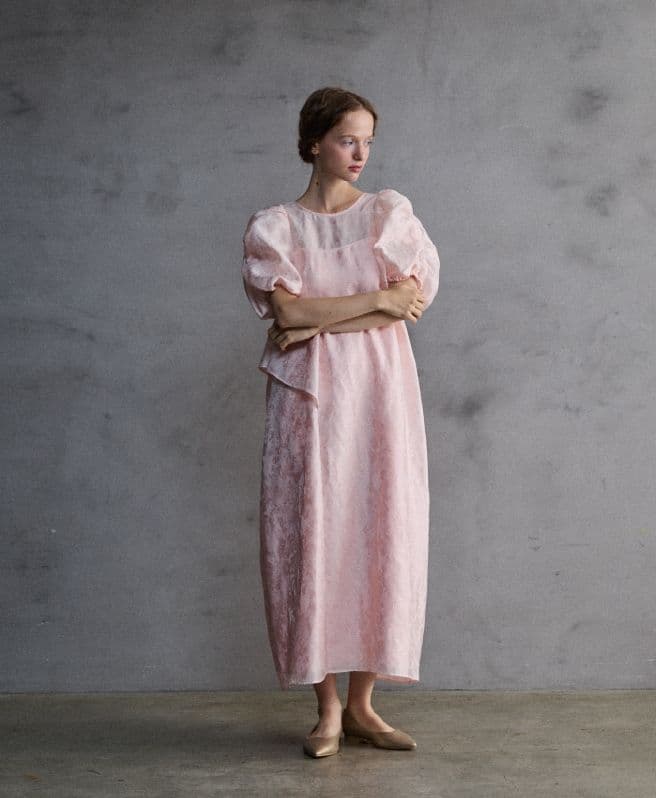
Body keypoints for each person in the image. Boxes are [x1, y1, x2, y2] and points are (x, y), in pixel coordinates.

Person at [241, 86, 440, 758]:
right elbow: (286, 313)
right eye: (346, 139)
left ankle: (362, 706)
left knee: (380, 528)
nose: (360, 154)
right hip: (311, 401)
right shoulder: (276, 228)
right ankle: (326, 709)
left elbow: (407, 302)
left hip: (380, 394)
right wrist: (373, 301)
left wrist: (318, 319)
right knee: (312, 533)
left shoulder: (387, 213)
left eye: (367, 142)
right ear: (313, 142)